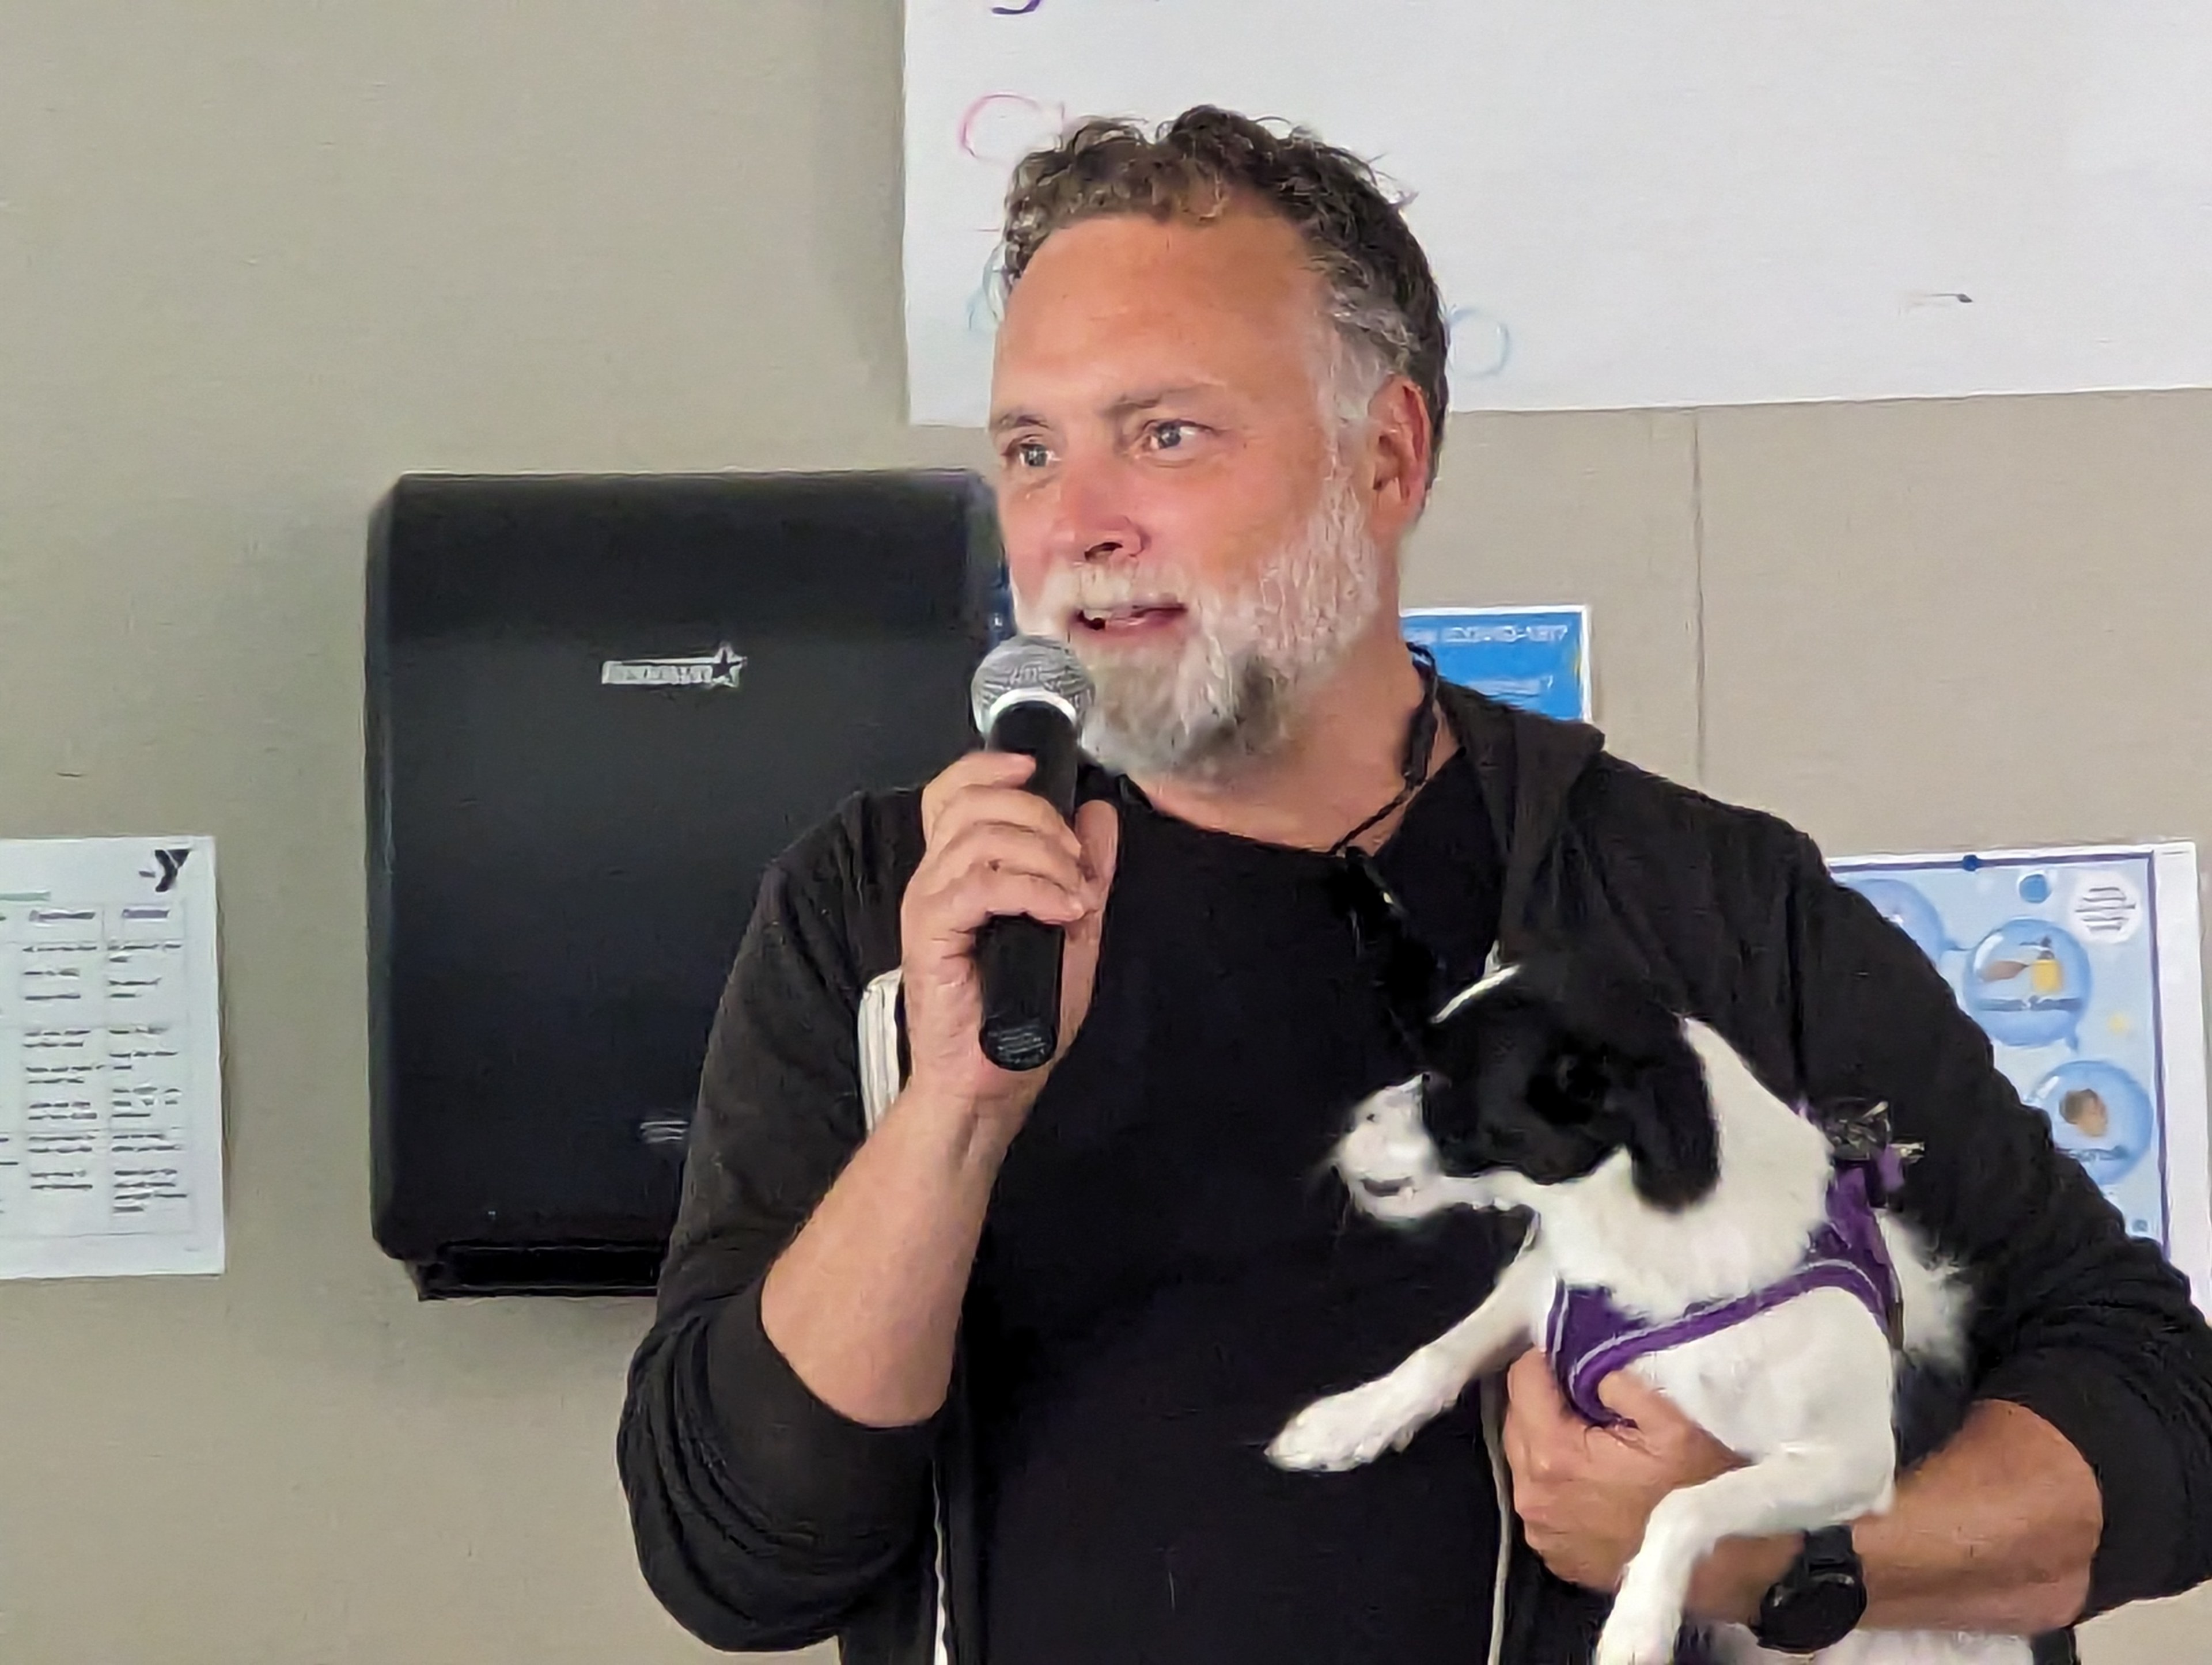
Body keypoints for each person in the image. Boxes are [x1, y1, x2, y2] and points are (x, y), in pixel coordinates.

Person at [619, 108, 2212, 1665]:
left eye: (1164, 434)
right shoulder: (882, 915)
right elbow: (736, 1557)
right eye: (1033, 448)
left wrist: (1777, 1555)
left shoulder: (1704, 906)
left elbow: (2157, 1404)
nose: (1077, 524)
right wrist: (952, 1112)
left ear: (1386, 456)